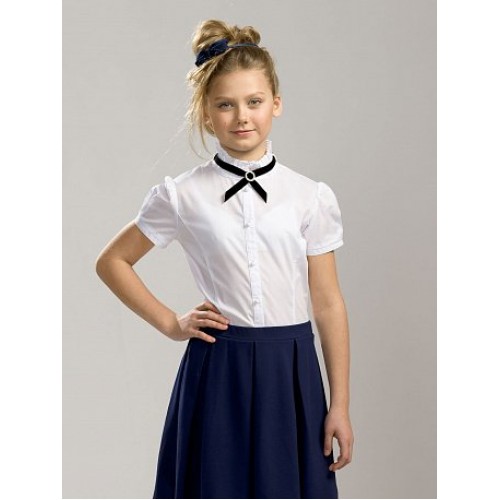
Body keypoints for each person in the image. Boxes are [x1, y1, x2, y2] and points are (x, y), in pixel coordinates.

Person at [96, 18, 354, 499]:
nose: (242, 117)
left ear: (276, 103)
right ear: (206, 113)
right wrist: (171, 323)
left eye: (254, 102)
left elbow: (328, 303)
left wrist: (339, 404)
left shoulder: (309, 197)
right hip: (218, 369)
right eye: (225, 104)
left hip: (291, 370)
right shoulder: (182, 195)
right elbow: (112, 262)